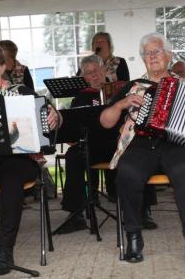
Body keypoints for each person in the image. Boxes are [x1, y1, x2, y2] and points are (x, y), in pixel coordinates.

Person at [100, 33, 185, 269]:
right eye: (147, 53)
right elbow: (105, 122)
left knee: (182, 170)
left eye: (157, 51)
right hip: (141, 144)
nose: (152, 56)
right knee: (127, 170)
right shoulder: (133, 87)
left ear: (168, 56)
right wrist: (120, 104)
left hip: (177, 145)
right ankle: (134, 238)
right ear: (143, 59)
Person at [0, 46, 61, 276]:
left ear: (3, 67)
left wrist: (56, 115)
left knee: (10, 177)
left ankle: (5, 252)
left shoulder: (23, 91)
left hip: (21, 158)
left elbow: (48, 115)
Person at [59, 55, 157, 234]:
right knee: (73, 154)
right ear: (84, 77)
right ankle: (76, 212)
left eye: (96, 71)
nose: (94, 76)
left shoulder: (123, 89)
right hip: (95, 144)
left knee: (140, 151)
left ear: (104, 70)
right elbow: (73, 129)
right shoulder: (81, 97)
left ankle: (144, 210)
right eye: (88, 73)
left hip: (121, 141)